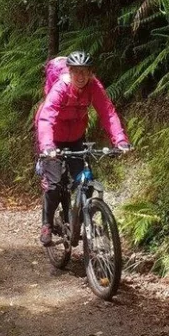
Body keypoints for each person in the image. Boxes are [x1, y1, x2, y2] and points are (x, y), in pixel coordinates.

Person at [35, 51, 131, 246]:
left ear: (90, 73)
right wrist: (47, 146)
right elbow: (47, 117)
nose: (80, 77)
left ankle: (78, 217)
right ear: (69, 72)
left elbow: (107, 112)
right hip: (53, 139)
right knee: (53, 186)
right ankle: (47, 224)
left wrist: (120, 140)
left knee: (85, 181)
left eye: (85, 72)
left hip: (76, 137)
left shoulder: (94, 87)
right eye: (76, 72)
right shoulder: (61, 88)